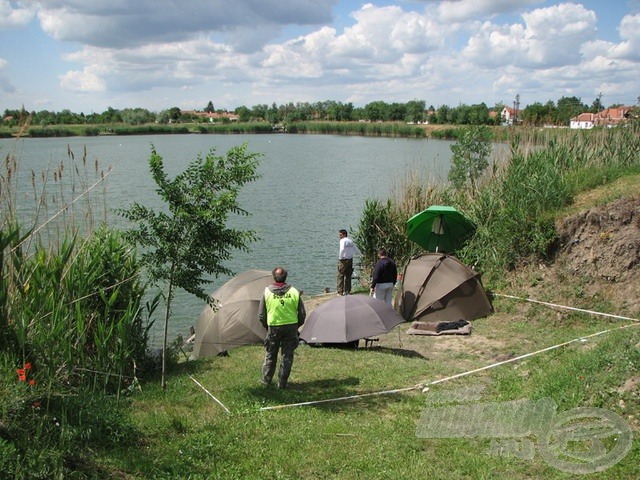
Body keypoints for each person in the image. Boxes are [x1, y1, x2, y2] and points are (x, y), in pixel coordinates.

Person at [259, 266, 306, 389]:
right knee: (287, 356)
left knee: (270, 354)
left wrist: (266, 326)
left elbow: (261, 315)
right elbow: (302, 314)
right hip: (290, 327)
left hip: (274, 327)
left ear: (274, 277)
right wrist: (296, 326)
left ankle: (266, 381)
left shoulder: (267, 292)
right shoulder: (294, 292)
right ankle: (282, 383)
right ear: (286, 277)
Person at [337, 229, 358, 295]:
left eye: (340, 235)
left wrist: (340, 258)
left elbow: (342, 249)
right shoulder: (350, 240)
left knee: (340, 275)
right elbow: (355, 248)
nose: (339, 236)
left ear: (344, 235)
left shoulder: (342, 241)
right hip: (350, 259)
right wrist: (361, 255)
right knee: (348, 276)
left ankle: (340, 291)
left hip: (343, 260)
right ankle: (347, 291)